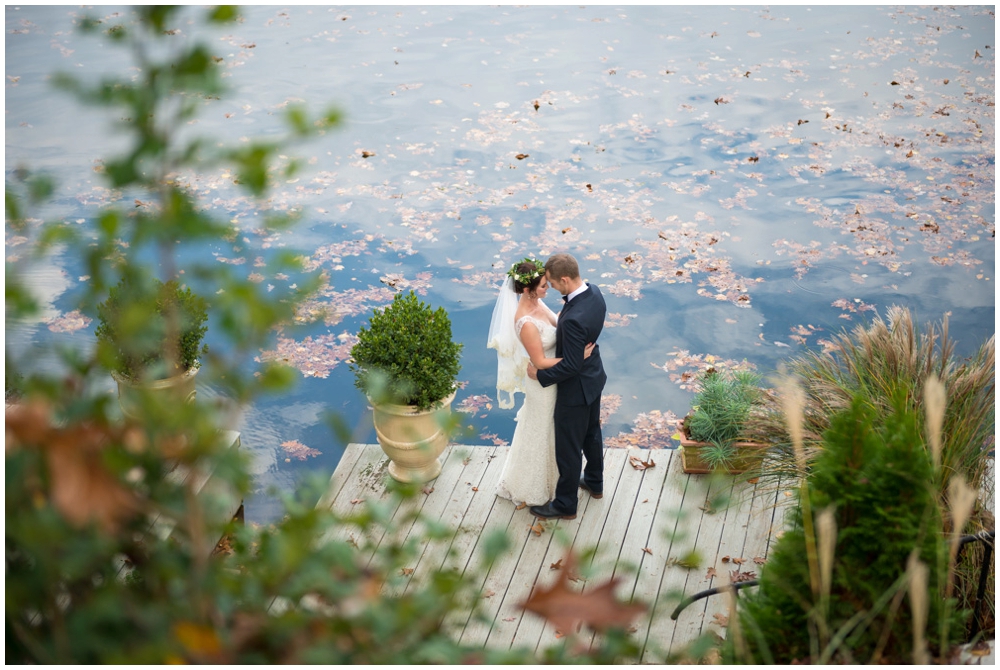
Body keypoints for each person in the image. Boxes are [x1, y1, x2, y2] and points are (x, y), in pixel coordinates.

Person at [487, 257, 594, 506]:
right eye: (544, 285)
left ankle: (558, 479)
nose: (549, 288)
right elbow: (540, 362)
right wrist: (576, 357)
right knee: (542, 431)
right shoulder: (525, 322)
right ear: (528, 289)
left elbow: (559, 325)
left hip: (558, 378)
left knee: (556, 432)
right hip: (543, 385)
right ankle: (533, 486)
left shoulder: (539, 304)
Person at [526, 253, 607, 520]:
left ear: (564, 279)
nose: (551, 288)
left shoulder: (572, 320)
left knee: (569, 448)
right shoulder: (594, 293)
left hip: (575, 390)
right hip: (594, 378)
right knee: (592, 434)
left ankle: (565, 504)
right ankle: (595, 482)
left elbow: (571, 366)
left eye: (552, 283)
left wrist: (540, 375)